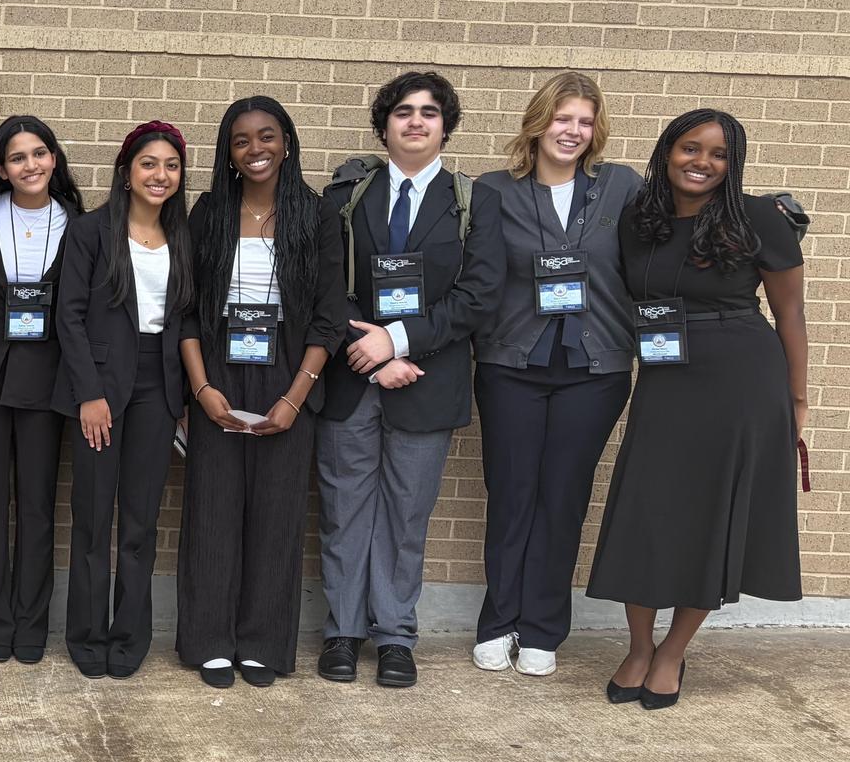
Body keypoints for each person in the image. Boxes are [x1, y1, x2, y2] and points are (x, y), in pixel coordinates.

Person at [587, 109, 807, 710]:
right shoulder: (640, 218)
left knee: (713, 515)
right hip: (665, 377)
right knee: (648, 510)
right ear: (668, 151)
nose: (701, 162)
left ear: (732, 165)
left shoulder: (758, 218)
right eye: (690, 148)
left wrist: (797, 402)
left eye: (717, 154)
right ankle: (637, 646)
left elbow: (790, 314)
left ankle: (672, 651)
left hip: (742, 380)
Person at [312, 72, 504, 688]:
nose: (415, 121)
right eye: (402, 112)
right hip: (352, 377)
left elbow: (479, 297)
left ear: (445, 125)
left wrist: (396, 340)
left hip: (427, 379)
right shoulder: (346, 194)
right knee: (345, 513)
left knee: (405, 518)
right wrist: (365, 346)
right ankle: (342, 631)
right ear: (385, 124)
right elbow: (322, 285)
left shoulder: (475, 201)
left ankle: (395, 636)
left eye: (428, 112)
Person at [468, 73, 642, 677]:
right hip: (511, 364)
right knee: (512, 494)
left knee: (563, 498)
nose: (572, 131)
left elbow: (671, 236)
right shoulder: (493, 191)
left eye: (585, 121)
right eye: (563, 118)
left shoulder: (620, 187)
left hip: (594, 370)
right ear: (539, 122)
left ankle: (542, 629)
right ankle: (499, 621)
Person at [176, 98, 344, 689]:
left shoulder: (316, 215)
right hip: (218, 373)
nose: (256, 150)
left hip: (288, 374)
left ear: (287, 142)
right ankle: (209, 640)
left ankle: (263, 643)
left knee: (276, 516)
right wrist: (201, 389)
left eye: (266, 136)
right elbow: (188, 311)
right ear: (228, 152)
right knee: (213, 510)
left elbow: (328, 318)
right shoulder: (208, 213)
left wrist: (294, 397)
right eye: (242, 140)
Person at [54, 120, 193, 680]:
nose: (160, 176)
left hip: (158, 387)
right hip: (102, 385)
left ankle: (129, 634)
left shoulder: (184, 235)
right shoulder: (91, 232)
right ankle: (86, 633)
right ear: (126, 171)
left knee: (140, 518)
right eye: (149, 164)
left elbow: (187, 321)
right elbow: (69, 316)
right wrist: (89, 393)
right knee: (92, 515)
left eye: (171, 166)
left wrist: (185, 393)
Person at [0, 115, 85, 665]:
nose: (30, 164)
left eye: (39, 153)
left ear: (54, 159)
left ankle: (31, 625)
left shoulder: (79, 225)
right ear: (0, 169)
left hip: (46, 380)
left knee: (37, 508)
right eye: (17, 157)